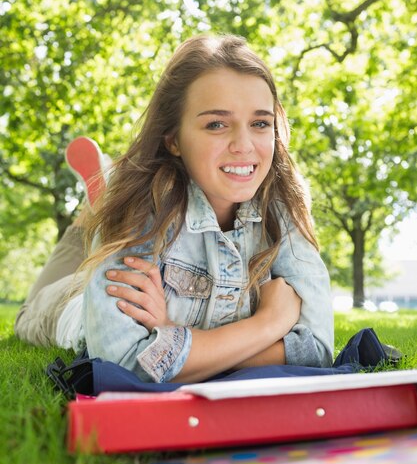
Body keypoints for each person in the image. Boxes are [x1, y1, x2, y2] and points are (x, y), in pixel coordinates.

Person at [15, 34, 334, 384]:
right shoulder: (142, 206)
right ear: (173, 139)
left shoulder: (281, 206)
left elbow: (318, 349)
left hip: (129, 238)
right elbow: (122, 362)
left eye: (260, 123)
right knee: (29, 313)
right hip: (71, 313)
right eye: (216, 124)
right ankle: (96, 207)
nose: (244, 146)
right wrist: (268, 324)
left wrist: (170, 337)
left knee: (105, 226)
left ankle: (97, 205)